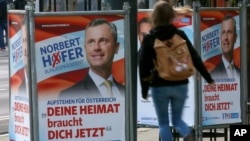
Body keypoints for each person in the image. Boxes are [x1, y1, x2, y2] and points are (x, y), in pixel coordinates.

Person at [138, 1, 215, 141]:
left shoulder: (149, 39)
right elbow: (195, 56)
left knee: (163, 123)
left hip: (159, 86)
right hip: (181, 84)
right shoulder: (179, 34)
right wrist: (208, 78)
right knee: (177, 120)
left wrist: (144, 90)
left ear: (154, 17)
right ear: (171, 17)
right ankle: (187, 133)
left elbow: (143, 66)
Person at [60, 18, 125, 98]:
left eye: (103, 41)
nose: (96, 48)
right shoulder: (69, 95)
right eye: (91, 42)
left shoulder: (128, 92)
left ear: (116, 47)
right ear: (85, 49)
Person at [210, 14, 240, 79]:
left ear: (235, 38)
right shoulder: (213, 75)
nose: (226, 38)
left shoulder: (241, 74)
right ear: (220, 37)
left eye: (229, 32)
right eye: (223, 32)